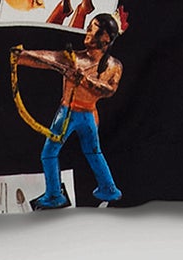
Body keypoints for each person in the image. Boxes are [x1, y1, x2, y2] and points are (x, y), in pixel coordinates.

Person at [19, 12, 127, 208]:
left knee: (56, 153)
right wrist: (22, 56)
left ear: (105, 38)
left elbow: (109, 90)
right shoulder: (74, 58)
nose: (87, 32)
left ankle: (65, 193)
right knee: (86, 152)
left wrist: (83, 80)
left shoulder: (114, 66)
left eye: (92, 29)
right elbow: (48, 58)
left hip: (80, 114)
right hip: (70, 112)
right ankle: (65, 193)